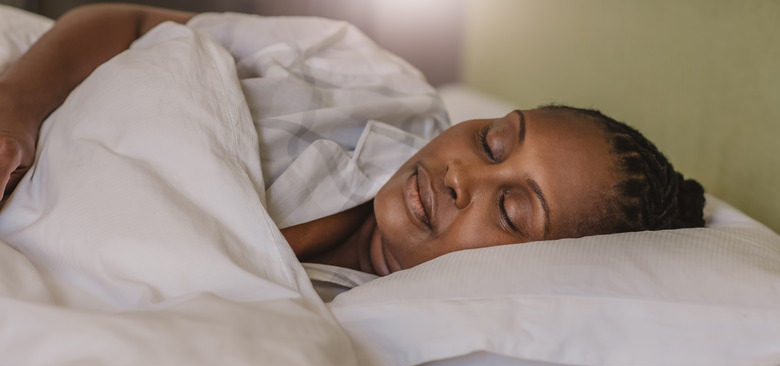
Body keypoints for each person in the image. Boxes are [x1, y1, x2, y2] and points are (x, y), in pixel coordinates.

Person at [0, 4, 705, 280]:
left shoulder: (375, 333)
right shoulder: (373, 80)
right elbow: (127, 25)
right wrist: (15, 111)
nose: (463, 175)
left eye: (514, 211)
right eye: (493, 143)